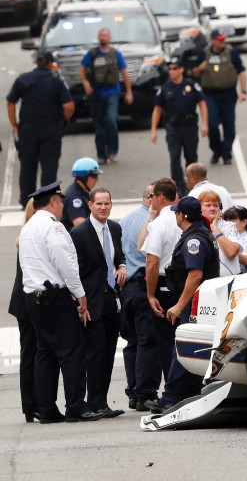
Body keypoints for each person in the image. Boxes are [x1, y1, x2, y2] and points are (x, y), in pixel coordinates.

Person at [18, 182, 102, 423]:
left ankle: (46, 409)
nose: (64, 205)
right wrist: (80, 293)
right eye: (61, 201)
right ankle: (76, 406)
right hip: (55, 297)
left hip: (34, 297)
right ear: (53, 202)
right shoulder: (53, 228)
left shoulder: (29, 227)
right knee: (72, 352)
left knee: (45, 353)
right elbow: (65, 263)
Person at [145, 197, 219, 414]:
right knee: (194, 346)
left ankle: (171, 397)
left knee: (183, 346)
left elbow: (195, 275)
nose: (175, 215)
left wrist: (178, 306)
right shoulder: (199, 233)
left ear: (182, 216)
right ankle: (192, 389)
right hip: (200, 301)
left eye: (177, 212)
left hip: (195, 303)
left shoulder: (194, 240)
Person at [69, 188, 126, 419]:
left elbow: (118, 256)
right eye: (99, 203)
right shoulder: (79, 233)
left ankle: (102, 402)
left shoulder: (114, 228)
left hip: (112, 299)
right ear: (90, 205)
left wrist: (122, 266)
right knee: (94, 352)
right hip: (91, 300)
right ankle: (93, 403)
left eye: (107, 203)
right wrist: (80, 298)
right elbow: (74, 268)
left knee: (109, 350)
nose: (103, 207)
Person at [6, 50, 74, 209]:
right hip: (50, 128)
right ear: (50, 63)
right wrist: (62, 120)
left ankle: (27, 201)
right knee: (49, 166)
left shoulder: (23, 79)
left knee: (27, 165)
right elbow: (69, 106)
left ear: (37, 63)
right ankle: (47, 200)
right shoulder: (56, 81)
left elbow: (10, 102)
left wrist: (14, 124)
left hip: (28, 128)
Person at [138, 178, 182, 395]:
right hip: (185, 287)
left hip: (165, 287)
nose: (150, 200)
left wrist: (150, 293)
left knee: (166, 343)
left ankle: (172, 392)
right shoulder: (183, 219)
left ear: (161, 197)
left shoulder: (160, 224)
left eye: (152, 196)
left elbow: (152, 261)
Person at [119, 184, 159, 411]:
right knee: (148, 341)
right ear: (153, 198)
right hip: (145, 285)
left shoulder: (126, 220)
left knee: (132, 342)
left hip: (127, 289)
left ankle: (133, 391)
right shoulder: (155, 222)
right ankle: (145, 392)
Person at [150, 57, 209, 196]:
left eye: (175, 68)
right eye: (170, 69)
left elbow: (202, 104)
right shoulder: (165, 88)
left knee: (191, 157)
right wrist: (153, 130)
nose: (172, 71)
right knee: (175, 158)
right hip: (173, 128)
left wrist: (205, 123)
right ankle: (178, 188)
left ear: (182, 69)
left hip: (189, 126)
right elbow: (157, 109)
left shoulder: (191, 85)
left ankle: (194, 186)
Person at [191, 29, 247, 166]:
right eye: (220, 39)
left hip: (228, 94)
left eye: (224, 39)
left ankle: (226, 153)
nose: (223, 42)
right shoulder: (204, 53)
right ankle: (216, 149)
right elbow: (194, 73)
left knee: (229, 128)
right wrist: (200, 68)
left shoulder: (231, 52)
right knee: (212, 124)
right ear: (213, 40)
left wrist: (244, 91)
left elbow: (241, 71)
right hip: (210, 95)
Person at [79, 28, 133, 165]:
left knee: (111, 121)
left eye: (105, 35)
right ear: (98, 38)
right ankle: (101, 154)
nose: (103, 38)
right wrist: (86, 83)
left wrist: (128, 91)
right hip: (96, 94)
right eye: (101, 36)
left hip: (112, 93)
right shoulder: (92, 54)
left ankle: (112, 151)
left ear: (110, 37)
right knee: (99, 126)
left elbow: (124, 72)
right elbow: (82, 69)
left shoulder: (115, 54)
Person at [9, 200, 38, 422]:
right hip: (27, 303)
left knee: (32, 353)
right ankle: (31, 404)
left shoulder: (26, 233)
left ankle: (33, 404)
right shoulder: (32, 234)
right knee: (31, 354)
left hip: (25, 302)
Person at [198, 190, 242, 278]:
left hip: (230, 280)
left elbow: (232, 251)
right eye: (208, 205)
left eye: (216, 205)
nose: (212, 208)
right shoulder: (196, 229)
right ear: (200, 208)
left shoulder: (230, 226)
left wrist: (215, 228)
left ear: (220, 208)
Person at [61, 157, 103, 230]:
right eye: (94, 176)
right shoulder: (74, 197)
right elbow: (80, 225)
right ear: (84, 177)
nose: (97, 179)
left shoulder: (82, 192)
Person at [223, 206, 247, 273]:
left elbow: (246, 259)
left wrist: (227, 251)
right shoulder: (228, 238)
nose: (227, 225)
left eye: (232, 222)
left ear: (244, 222)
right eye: (226, 221)